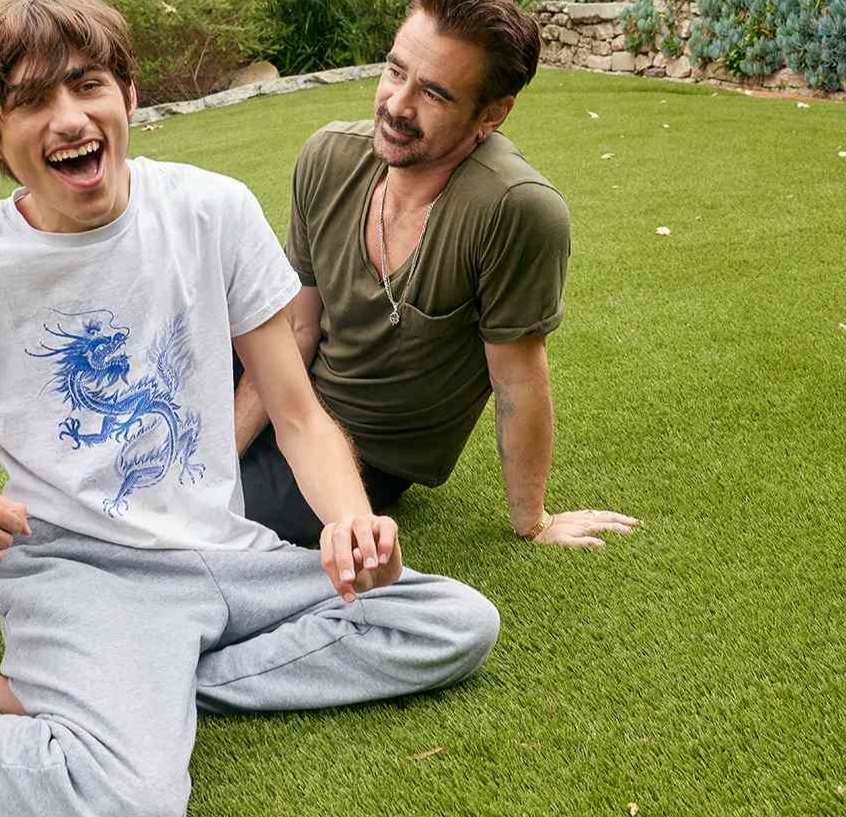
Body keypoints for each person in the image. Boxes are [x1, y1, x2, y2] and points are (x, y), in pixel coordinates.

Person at [0, 2, 499, 817]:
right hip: (83, 575)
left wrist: (352, 517)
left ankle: (106, 694)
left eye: (87, 84)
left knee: (454, 623)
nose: (69, 118)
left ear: (126, 95)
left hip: (223, 551)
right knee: (131, 809)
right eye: (30, 102)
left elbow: (296, 413)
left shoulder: (213, 211)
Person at [234, 0, 640, 548]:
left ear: (491, 115)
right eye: (395, 71)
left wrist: (534, 521)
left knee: (225, 516)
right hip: (290, 381)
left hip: (365, 446)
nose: (396, 106)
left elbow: (517, 377)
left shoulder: (514, 210)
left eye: (434, 93)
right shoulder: (328, 157)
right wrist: (218, 453)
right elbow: (296, 328)